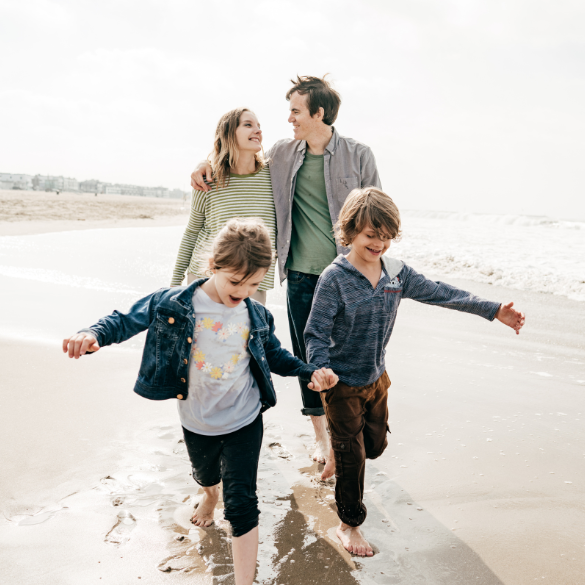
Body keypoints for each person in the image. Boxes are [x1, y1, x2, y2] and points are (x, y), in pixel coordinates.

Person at [63, 218, 338, 585]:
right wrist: (92, 333)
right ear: (213, 266)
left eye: (254, 284)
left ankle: (244, 580)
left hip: (245, 418)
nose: (242, 291)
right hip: (197, 420)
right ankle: (208, 494)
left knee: (242, 502)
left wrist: (309, 371)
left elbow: (275, 356)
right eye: (235, 281)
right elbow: (125, 319)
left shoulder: (256, 315)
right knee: (206, 475)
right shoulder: (174, 302)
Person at [304, 187, 526, 557]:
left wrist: (493, 310)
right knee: (353, 458)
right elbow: (316, 331)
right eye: (371, 235)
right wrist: (321, 367)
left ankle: (339, 452)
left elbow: (441, 292)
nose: (379, 244)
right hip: (341, 384)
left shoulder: (395, 274)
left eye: (387, 236)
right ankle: (349, 524)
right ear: (351, 231)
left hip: (376, 379)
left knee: (374, 446)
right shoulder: (335, 278)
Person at [191, 75, 382, 471]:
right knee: (307, 354)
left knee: (352, 353)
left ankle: (356, 426)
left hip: (348, 276)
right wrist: (202, 166)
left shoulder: (359, 155)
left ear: (319, 112)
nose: (289, 118)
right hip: (298, 272)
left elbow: (377, 214)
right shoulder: (282, 154)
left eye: (296, 110)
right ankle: (323, 439)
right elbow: (238, 160)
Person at [172, 108, 276, 305]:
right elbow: (193, 231)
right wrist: (174, 284)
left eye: (259, 127)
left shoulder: (273, 177)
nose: (258, 131)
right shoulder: (208, 179)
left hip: (253, 283)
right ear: (228, 133)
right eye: (248, 125)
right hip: (206, 279)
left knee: (247, 336)